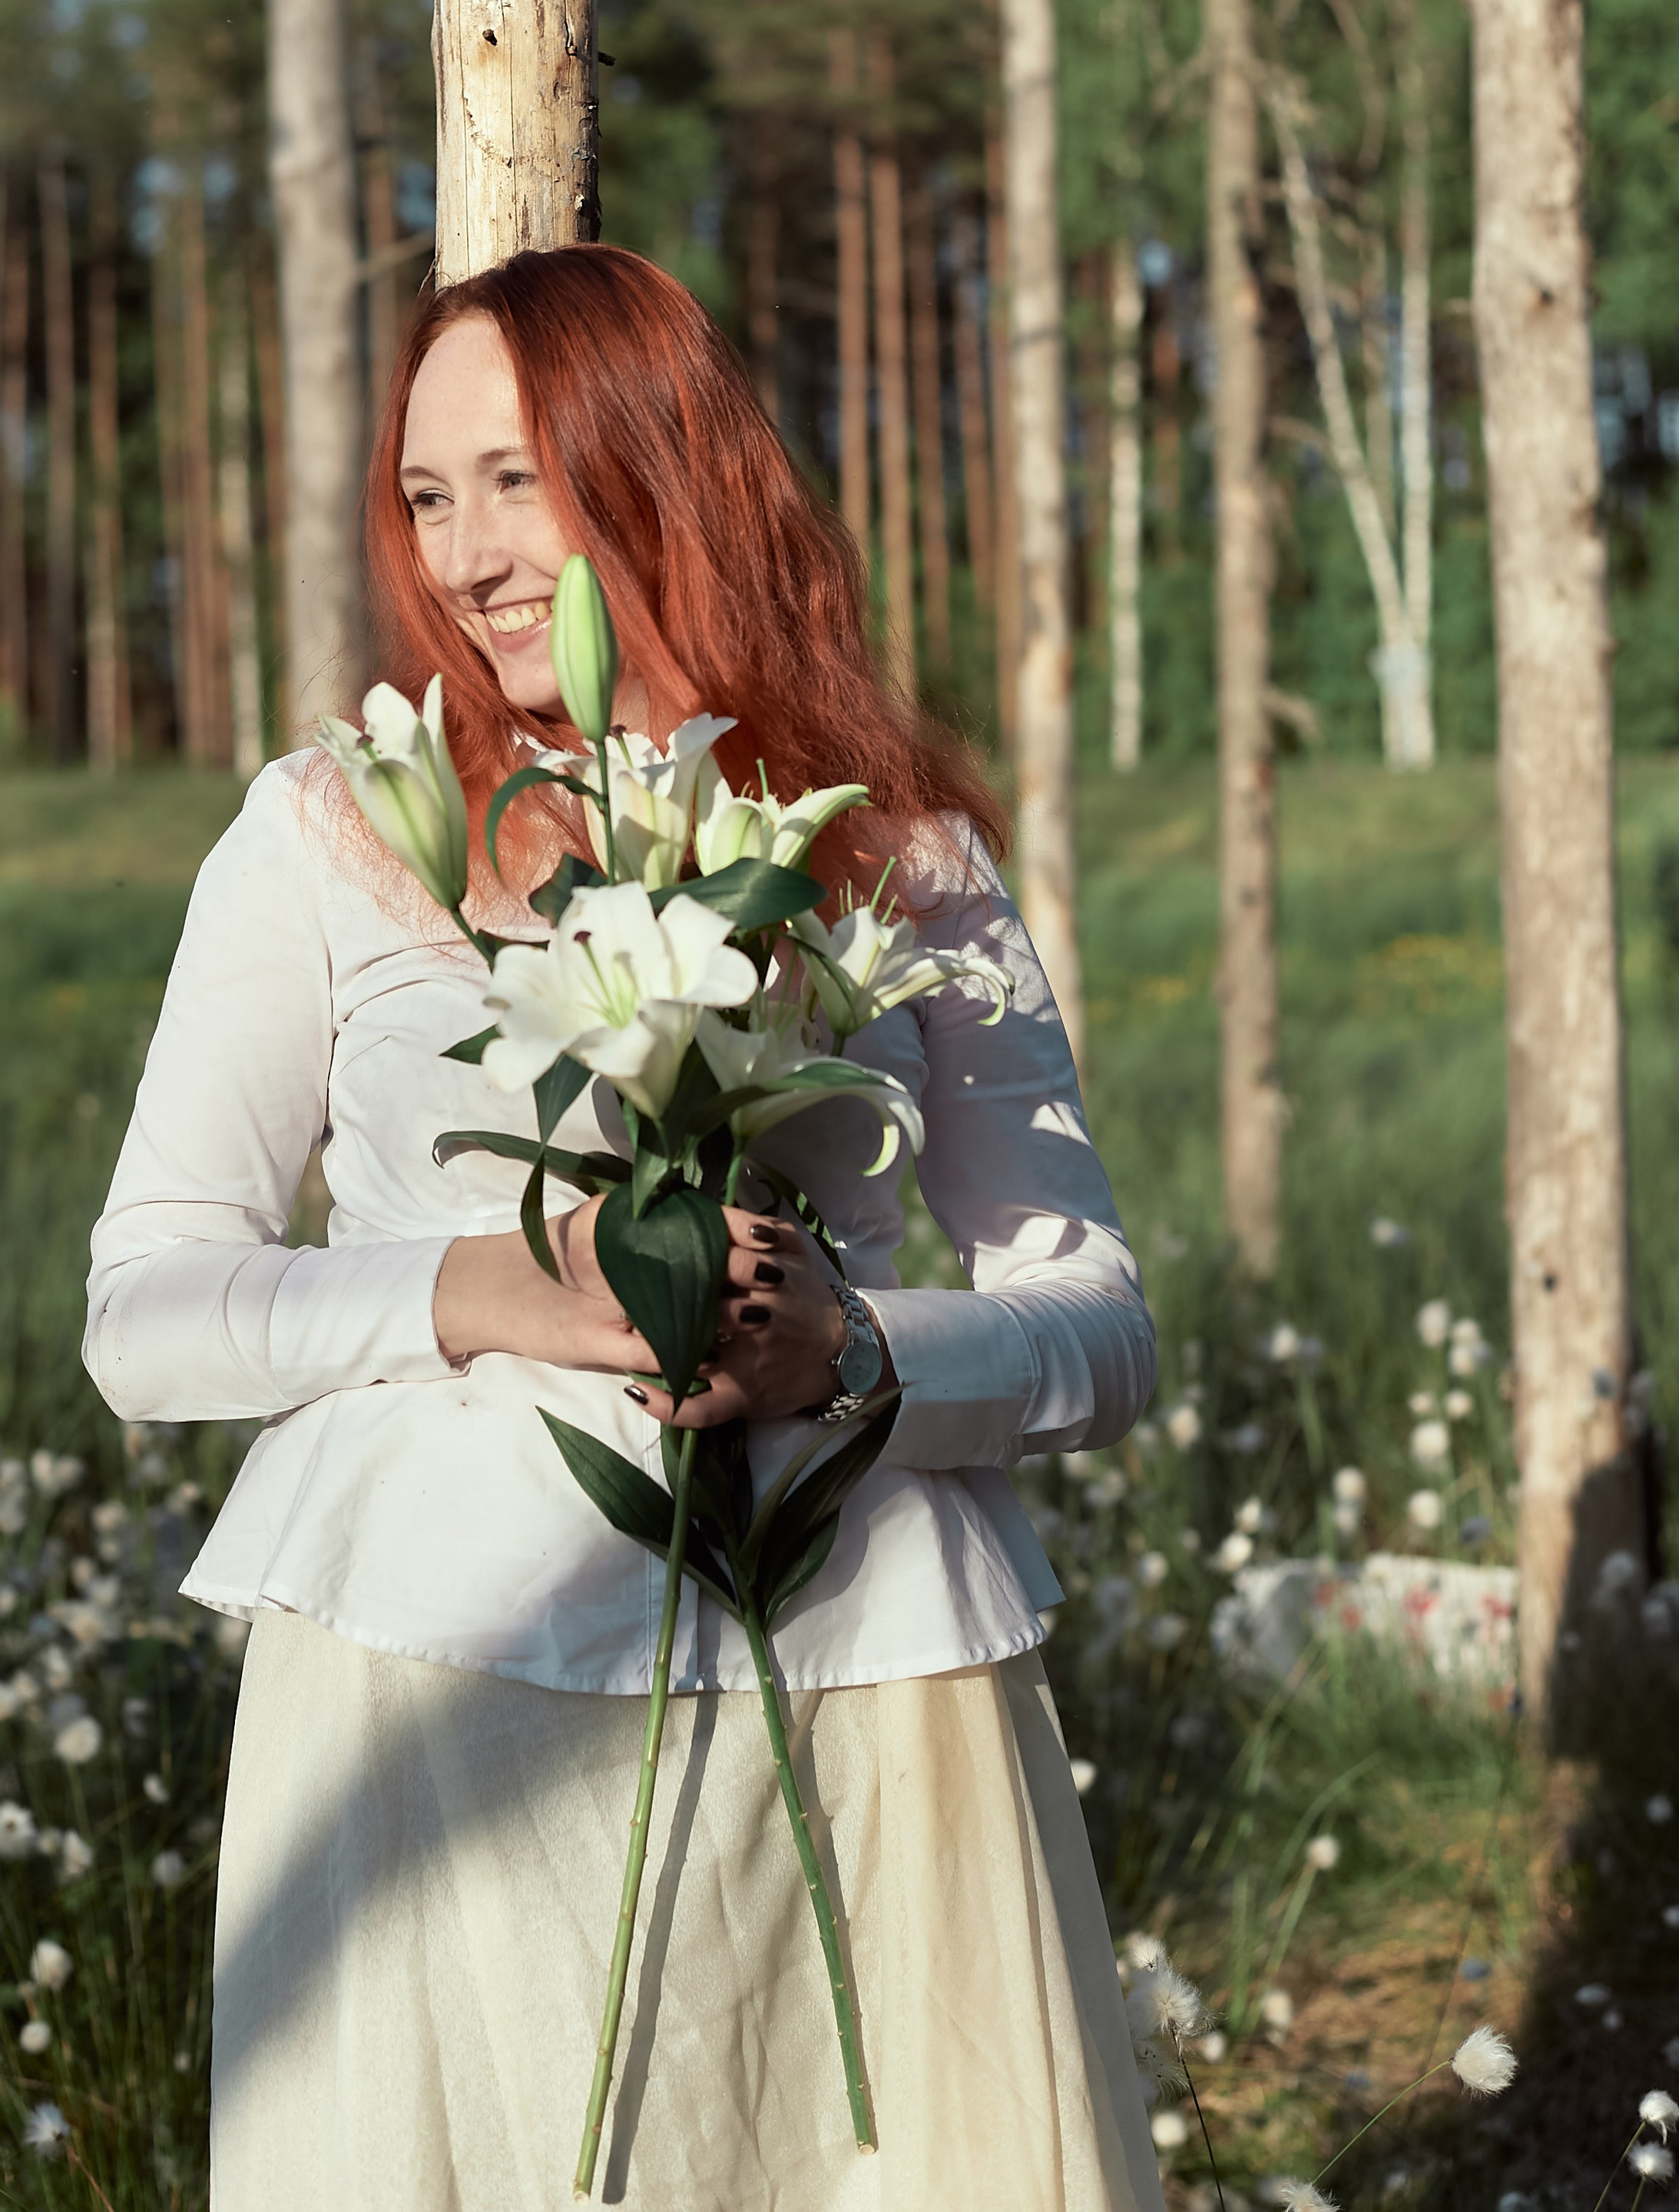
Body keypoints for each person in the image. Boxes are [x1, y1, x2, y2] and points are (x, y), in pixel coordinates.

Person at [85, 246, 1162, 2212]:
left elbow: (1097, 1317)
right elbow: (144, 1311)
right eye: (428, 493)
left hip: (855, 1689)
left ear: (665, 473)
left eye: (518, 481)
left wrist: (853, 1354)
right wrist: (480, 1291)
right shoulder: (329, 831)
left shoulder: (896, 849)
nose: (466, 555)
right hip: (440, 1707)